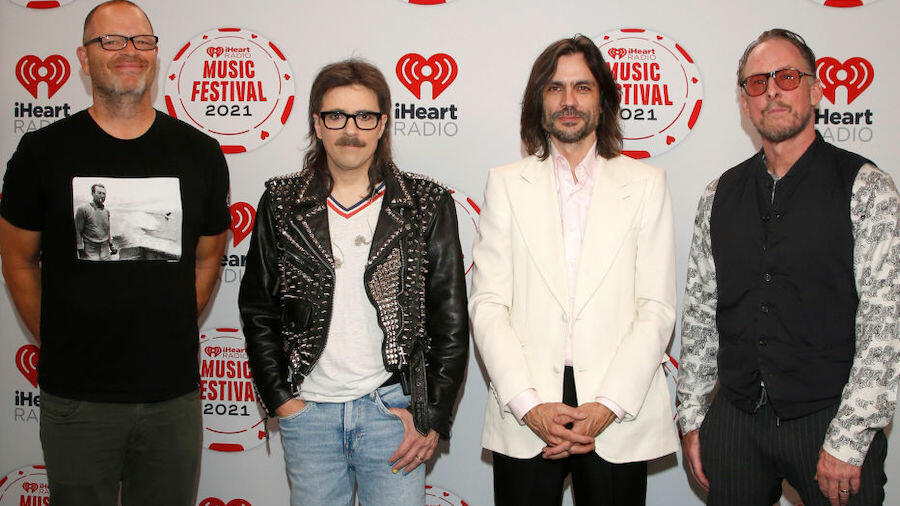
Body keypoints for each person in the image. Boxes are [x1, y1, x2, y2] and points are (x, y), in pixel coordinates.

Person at [0, 1, 230, 505]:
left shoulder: (200, 153)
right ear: (84, 58)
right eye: (111, 41)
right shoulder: (41, 153)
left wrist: (173, 321)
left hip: (171, 398)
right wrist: (56, 336)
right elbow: (16, 258)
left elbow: (209, 257)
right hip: (76, 399)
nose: (129, 51)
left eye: (141, 41)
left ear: (155, 54)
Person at [676, 28, 899, 506]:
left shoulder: (866, 188)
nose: (772, 91)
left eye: (787, 77)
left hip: (831, 420)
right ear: (744, 102)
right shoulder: (718, 195)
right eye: (758, 82)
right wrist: (693, 417)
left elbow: (884, 323)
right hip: (736, 421)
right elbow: (699, 315)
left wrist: (848, 438)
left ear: (815, 90)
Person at [238, 59, 469, 506]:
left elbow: (451, 319)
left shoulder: (424, 203)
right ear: (317, 124)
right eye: (336, 116)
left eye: (364, 116)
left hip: (394, 412)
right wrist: (283, 401)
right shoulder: (282, 202)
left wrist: (432, 416)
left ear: (382, 124)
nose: (350, 130)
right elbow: (258, 309)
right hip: (309, 416)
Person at [469, 35, 678, 506]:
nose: (569, 101)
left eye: (582, 87)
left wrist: (607, 406)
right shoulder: (505, 184)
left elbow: (657, 308)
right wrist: (529, 406)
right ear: (538, 101)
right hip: (526, 406)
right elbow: (488, 305)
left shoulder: (647, 184)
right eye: (555, 88)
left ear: (602, 101)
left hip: (616, 406)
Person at [75, 183, 118, 260]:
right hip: (91, 250)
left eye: (104, 194)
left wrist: (111, 246)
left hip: (105, 250)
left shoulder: (106, 211)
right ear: (92, 193)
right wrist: (80, 250)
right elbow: (78, 231)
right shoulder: (82, 209)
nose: (102, 196)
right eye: (99, 193)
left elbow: (107, 230)